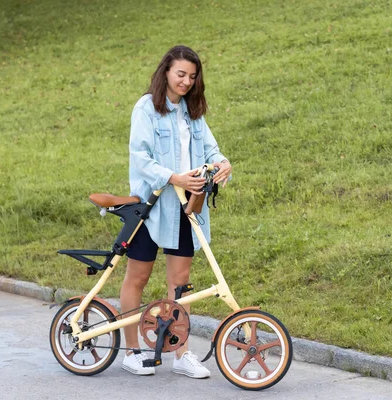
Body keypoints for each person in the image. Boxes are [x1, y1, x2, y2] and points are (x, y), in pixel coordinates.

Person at [120, 45, 232, 377]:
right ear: (166, 72)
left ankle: (181, 353)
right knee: (137, 278)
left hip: (185, 207)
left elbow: (210, 147)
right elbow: (140, 158)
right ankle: (132, 351)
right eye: (180, 74)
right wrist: (174, 177)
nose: (185, 82)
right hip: (150, 206)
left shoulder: (191, 110)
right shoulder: (146, 108)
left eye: (192, 76)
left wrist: (223, 163)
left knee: (180, 283)